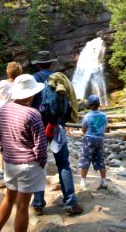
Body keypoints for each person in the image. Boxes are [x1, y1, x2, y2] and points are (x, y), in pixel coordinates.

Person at [30, 50, 83, 215]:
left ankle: (38, 203)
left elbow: (28, 102)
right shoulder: (61, 78)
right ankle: (70, 202)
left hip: (37, 126)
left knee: (38, 163)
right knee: (63, 164)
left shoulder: (33, 79)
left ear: (38, 64)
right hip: (57, 126)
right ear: (52, 64)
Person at [0, 74, 47, 232]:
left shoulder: (3, 110)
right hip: (28, 165)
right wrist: (41, 163)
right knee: (23, 206)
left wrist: (5, 154)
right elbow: (41, 146)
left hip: (10, 163)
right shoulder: (33, 114)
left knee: (9, 198)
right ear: (31, 93)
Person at [0, 61, 23, 177]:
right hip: (17, 114)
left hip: (3, 114)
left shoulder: (2, 83)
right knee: (17, 141)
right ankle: (17, 167)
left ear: (8, 71)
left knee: (2, 142)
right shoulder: (20, 84)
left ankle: (2, 170)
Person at [78, 94, 108, 190]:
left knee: (85, 159)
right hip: (100, 139)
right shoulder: (104, 116)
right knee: (100, 159)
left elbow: (83, 129)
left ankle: (83, 182)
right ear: (99, 104)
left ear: (89, 105)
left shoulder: (87, 116)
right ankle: (104, 181)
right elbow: (104, 127)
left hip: (89, 140)